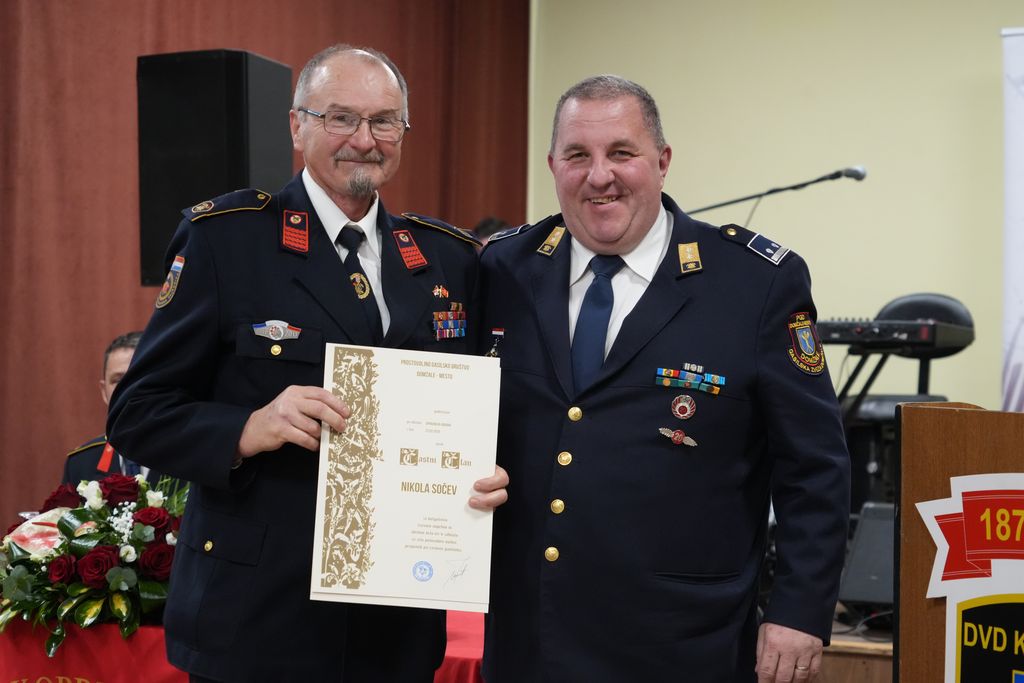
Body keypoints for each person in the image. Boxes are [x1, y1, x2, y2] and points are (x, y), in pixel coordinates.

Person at [107, 44, 508, 682]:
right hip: (258, 620)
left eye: (384, 122)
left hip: (396, 625)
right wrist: (248, 427)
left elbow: (479, 409)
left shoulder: (448, 259)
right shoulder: (227, 241)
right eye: (340, 118)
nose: (364, 140)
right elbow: (136, 413)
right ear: (298, 127)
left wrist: (486, 469)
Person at [478, 75, 850, 683]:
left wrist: (799, 610)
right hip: (531, 637)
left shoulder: (753, 284)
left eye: (621, 152)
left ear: (663, 161)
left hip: (683, 642)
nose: (600, 176)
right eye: (578, 155)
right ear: (553, 166)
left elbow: (815, 467)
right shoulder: (505, 267)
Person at [62, 331, 166, 484]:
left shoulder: (189, 455)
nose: (128, 389)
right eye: (118, 380)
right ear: (104, 392)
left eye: (138, 378)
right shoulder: (80, 464)